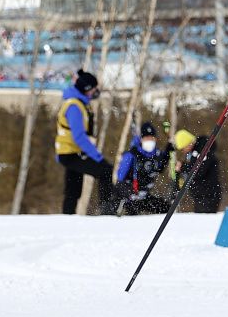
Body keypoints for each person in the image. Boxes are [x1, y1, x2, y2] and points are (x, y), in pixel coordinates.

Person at [55, 69, 115, 215]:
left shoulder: (79, 103)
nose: (96, 91)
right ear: (87, 89)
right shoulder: (74, 106)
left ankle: (68, 216)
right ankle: (107, 211)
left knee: (73, 189)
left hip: (71, 152)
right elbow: (79, 136)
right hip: (71, 153)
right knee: (105, 170)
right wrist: (97, 156)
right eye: (94, 88)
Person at [114, 121, 170, 215]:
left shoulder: (156, 154)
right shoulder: (132, 154)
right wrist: (129, 193)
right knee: (132, 210)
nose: (149, 141)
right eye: (146, 138)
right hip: (130, 195)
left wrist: (168, 153)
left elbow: (160, 168)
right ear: (141, 139)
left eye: (151, 138)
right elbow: (120, 178)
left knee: (165, 208)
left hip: (144, 195)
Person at [173, 129, 223, 213]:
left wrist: (183, 167)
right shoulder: (194, 153)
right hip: (200, 196)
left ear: (188, 143)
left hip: (208, 195)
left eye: (183, 148)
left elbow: (198, 171)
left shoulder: (203, 150)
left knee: (206, 221)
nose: (183, 151)